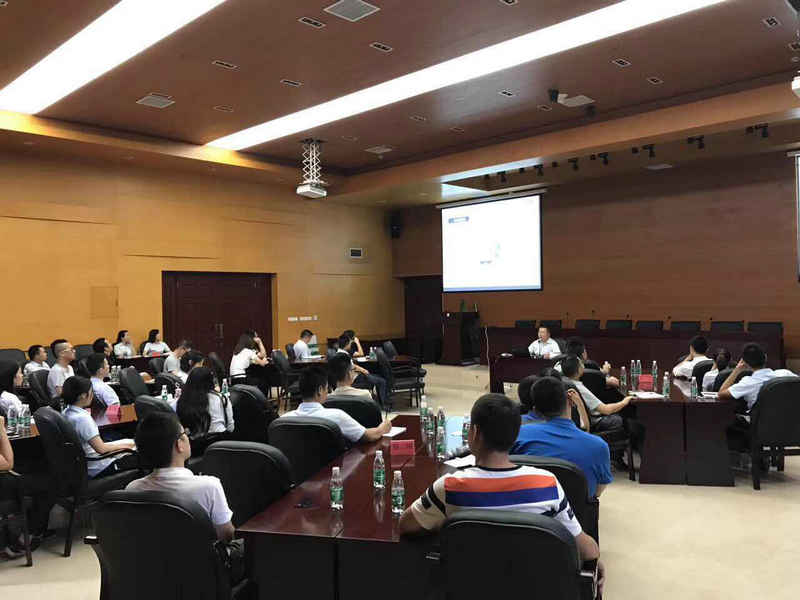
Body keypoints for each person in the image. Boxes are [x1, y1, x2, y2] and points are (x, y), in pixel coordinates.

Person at [398, 394, 603, 581]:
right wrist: (595, 560)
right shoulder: (547, 484)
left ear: (474, 433)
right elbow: (588, 551)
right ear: (515, 435)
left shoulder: (449, 487)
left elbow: (406, 525)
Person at [126, 411, 234, 542]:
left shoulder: (132, 489)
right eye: (185, 434)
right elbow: (226, 535)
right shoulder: (209, 487)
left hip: (151, 554)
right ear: (179, 444)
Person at [512, 377, 613, 498]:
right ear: (570, 401)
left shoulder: (516, 435)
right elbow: (596, 493)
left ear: (535, 407)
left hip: (529, 506)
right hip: (577, 509)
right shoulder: (598, 446)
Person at [280, 367, 391, 443]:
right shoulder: (336, 416)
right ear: (320, 390)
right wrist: (382, 428)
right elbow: (368, 436)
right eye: (326, 388)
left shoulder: (283, 419)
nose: (327, 392)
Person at [61, 376, 137, 478]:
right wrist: (125, 447)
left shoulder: (66, 412)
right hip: (100, 466)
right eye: (91, 392)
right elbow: (101, 449)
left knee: (130, 442)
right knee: (140, 454)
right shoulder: (82, 419)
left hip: (85, 462)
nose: (92, 395)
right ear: (83, 396)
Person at [561, 355, 631, 433]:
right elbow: (606, 410)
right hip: (594, 422)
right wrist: (624, 402)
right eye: (581, 364)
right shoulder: (579, 388)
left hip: (578, 421)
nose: (583, 366)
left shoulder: (565, 382)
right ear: (578, 370)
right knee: (622, 419)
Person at [718, 343, 796, 412]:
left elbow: (721, 393)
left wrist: (737, 369)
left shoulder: (747, 382)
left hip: (762, 422)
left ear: (745, 363)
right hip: (792, 421)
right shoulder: (786, 374)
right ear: (765, 357)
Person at [176, 367, 233, 439]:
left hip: (195, 442)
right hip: (221, 441)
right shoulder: (222, 398)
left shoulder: (183, 400)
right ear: (211, 381)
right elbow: (231, 427)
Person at [336, 332, 388, 408]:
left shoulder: (340, 352)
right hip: (355, 378)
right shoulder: (344, 355)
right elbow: (352, 367)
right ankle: (383, 404)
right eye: (350, 343)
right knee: (382, 381)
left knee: (377, 377)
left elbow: (352, 365)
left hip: (353, 375)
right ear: (347, 344)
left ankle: (380, 402)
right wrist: (363, 370)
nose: (350, 345)